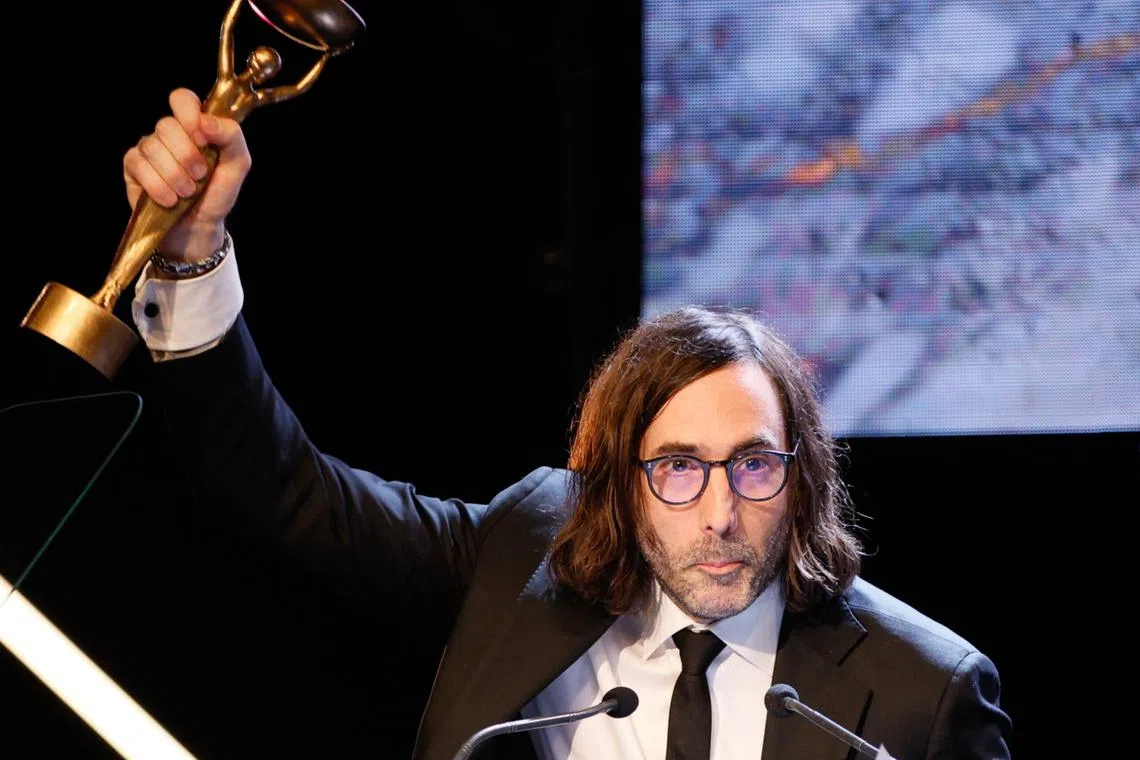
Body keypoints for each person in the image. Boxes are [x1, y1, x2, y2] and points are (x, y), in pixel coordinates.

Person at [124, 88, 1013, 760]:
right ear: (620, 483)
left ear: (802, 475)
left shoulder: (924, 696)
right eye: (676, 467)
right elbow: (286, 496)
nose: (719, 512)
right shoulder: (528, 555)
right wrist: (190, 252)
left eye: (753, 465)